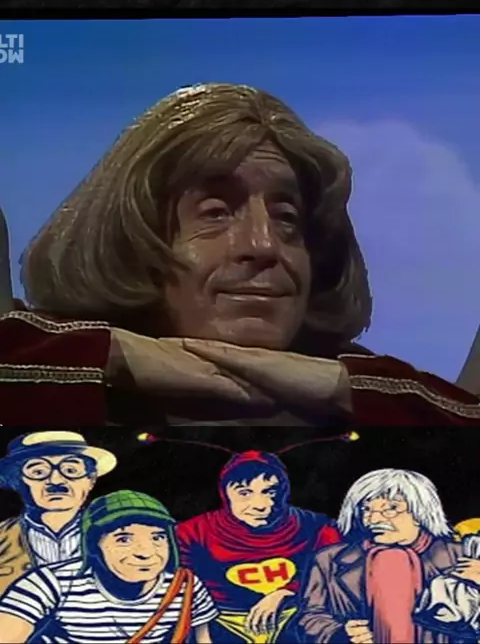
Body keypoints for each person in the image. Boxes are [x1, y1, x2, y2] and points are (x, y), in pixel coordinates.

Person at [1, 83, 479, 427]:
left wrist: (340, 388)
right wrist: (121, 356)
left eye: (287, 218)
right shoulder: (44, 371)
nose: (264, 245)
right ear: (132, 237)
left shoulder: (369, 402)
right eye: (216, 213)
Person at [0, 490, 218, 643]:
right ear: (94, 544)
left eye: (157, 537)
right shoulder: (50, 582)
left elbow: (203, 640)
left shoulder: (185, 585)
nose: (146, 552)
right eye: (124, 539)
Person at [297, 468, 480, 644]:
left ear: (420, 512)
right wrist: (338, 634)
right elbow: (309, 617)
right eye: (366, 510)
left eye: (391, 508)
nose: (374, 519)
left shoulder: (463, 554)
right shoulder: (328, 560)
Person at [176, 450, 340, 642]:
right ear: (225, 493)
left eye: (270, 491)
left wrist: (286, 592)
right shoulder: (192, 533)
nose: (260, 505)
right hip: (221, 625)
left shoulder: (316, 527)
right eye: (244, 493)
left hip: (296, 621)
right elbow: (182, 589)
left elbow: (336, 572)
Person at [0, 431, 117, 595]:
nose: (56, 481)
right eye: (39, 472)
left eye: (70, 470)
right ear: (17, 482)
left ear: (91, 480)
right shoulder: (2, 538)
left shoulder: (118, 535)